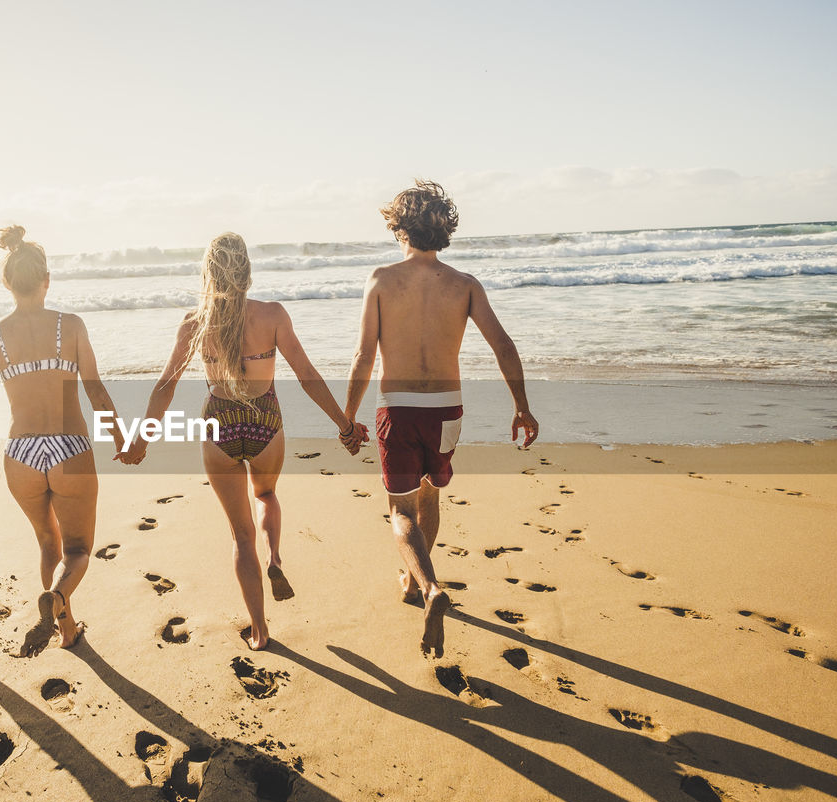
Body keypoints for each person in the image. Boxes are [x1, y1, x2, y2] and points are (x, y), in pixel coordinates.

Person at [121, 232, 365, 651]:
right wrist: (344, 425)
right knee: (267, 494)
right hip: (265, 420)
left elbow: (165, 386)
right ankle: (274, 560)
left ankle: (259, 629)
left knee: (239, 535)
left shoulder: (194, 323)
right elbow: (308, 376)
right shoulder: (272, 315)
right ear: (247, 272)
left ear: (207, 274)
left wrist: (141, 439)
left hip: (220, 424)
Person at [344, 180, 539, 658]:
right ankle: (413, 584)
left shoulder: (382, 280)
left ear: (398, 228)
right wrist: (521, 406)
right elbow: (505, 346)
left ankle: (428, 587)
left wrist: (348, 417)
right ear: (444, 229)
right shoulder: (465, 285)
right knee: (430, 493)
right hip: (446, 408)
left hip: (399, 406)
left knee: (401, 510)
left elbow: (364, 355)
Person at [0, 225, 129, 655]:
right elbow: (95, 389)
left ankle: (66, 629)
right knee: (78, 550)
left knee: (47, 542)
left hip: (21, 454)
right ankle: (55, 601)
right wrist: (121, 437)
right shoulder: (70, 325)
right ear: (47, 280)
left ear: (7, 283)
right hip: (69, 447)